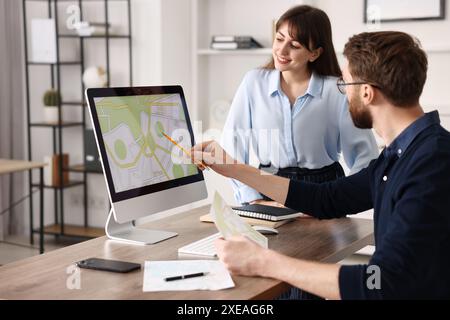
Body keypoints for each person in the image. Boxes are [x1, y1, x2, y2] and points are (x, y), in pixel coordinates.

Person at [192, 31, 450, 299]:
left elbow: (380, 282)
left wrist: (263, 261)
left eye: (345, 84)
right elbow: (327, 198)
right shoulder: (403, 154)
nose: (343, 94)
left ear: (366, 92)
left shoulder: (432, 164)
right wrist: (233, 168)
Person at [222, 5, 379, 206]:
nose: (282, 50)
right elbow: (232, 146)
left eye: (294, 45)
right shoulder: (253, 82)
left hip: (323, 192)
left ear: (314, 53)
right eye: (279, 39)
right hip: (268, 187)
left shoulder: (337, 90)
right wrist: (252, 197)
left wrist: (339, 198)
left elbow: (366, 157)